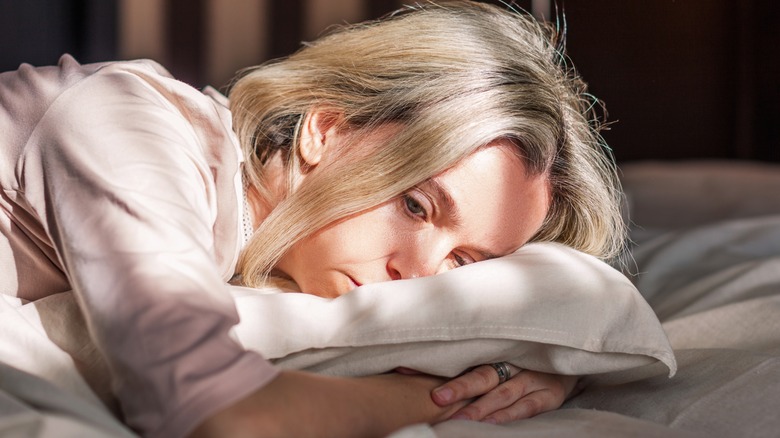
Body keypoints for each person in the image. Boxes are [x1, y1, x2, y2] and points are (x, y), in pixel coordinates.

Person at [0, 1, 625, 437]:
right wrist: (446, 400)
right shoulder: (125, 123)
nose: (419, 277)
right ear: (323, 131)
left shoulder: (272, 253)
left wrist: (536, 364)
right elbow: (219, 420)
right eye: (415, 205)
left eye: (464, 264)